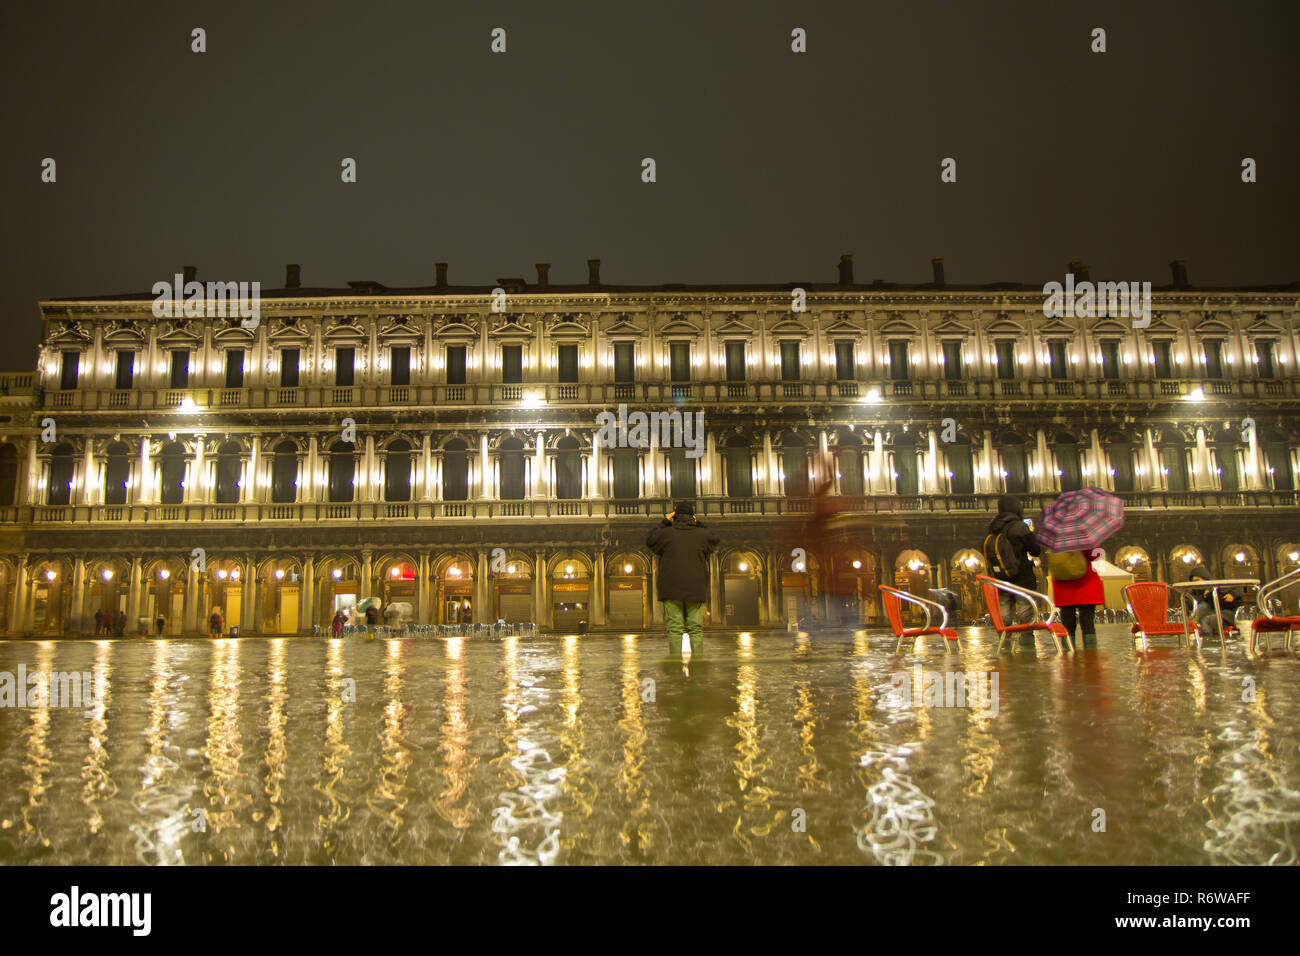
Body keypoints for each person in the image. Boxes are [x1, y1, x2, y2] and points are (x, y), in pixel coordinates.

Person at [646, 500, 720, 657]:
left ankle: (674, 663)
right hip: (695, 588)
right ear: (692, 516)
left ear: (675, 516)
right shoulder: (702, 535)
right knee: (695, 628)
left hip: (671, 589)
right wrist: (698, 523)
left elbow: (650, 539)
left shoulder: (666, 534)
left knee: (674, 628)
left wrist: (665, 521)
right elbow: (714, 539)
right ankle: (698, 663)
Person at [983, 495, 1043, 636]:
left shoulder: (992, 527)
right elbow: (1035, 550)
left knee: (1004, 612)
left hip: (1001, 577)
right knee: (1025, 610)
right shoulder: (1020, 526)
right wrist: (1032, 535)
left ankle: (1005, 643)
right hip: (1021, 576)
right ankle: (1027, 644)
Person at [1048, 547, 1103, 648]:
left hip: (1063, 585)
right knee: (1088, 622)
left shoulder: (1055, 539)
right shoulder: (1083, 537)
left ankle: (1068, 655)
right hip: (1085, 583)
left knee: (1067, 623)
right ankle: (1091, 656)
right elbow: (1096, 555)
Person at [1187, 565, 1241, 637]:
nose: (1196, 583)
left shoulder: (1217, 586)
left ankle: (1209, 642)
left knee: (1205, 620)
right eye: (1193, 581)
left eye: (1197, 580)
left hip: (1224, 615)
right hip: (1209, 614)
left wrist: (1232, 595)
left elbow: (1222, 604)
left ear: (1205, 579)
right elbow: (1191, 605)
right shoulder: (1196, 592)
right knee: (1201, 609)